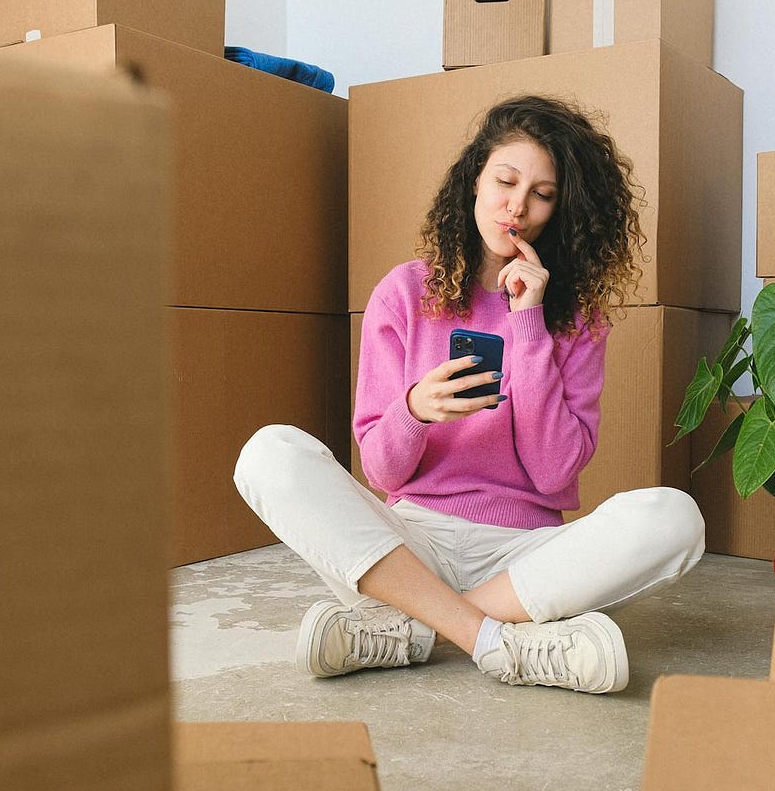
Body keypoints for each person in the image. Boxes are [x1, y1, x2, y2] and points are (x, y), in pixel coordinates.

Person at [233, 94, 705, 694]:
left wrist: (528, 322)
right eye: (506, 181)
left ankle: (415, 628)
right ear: (474, 180)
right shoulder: (404, 293)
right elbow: (382, 470)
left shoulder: (578, 319)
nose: (518, 206)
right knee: (269, 453)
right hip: (408, 546)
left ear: (561, 210)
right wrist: (413, 411)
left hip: (526, 556)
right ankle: (493, 641)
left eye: (542, 194)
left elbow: (553, 470)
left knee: (675, 517)